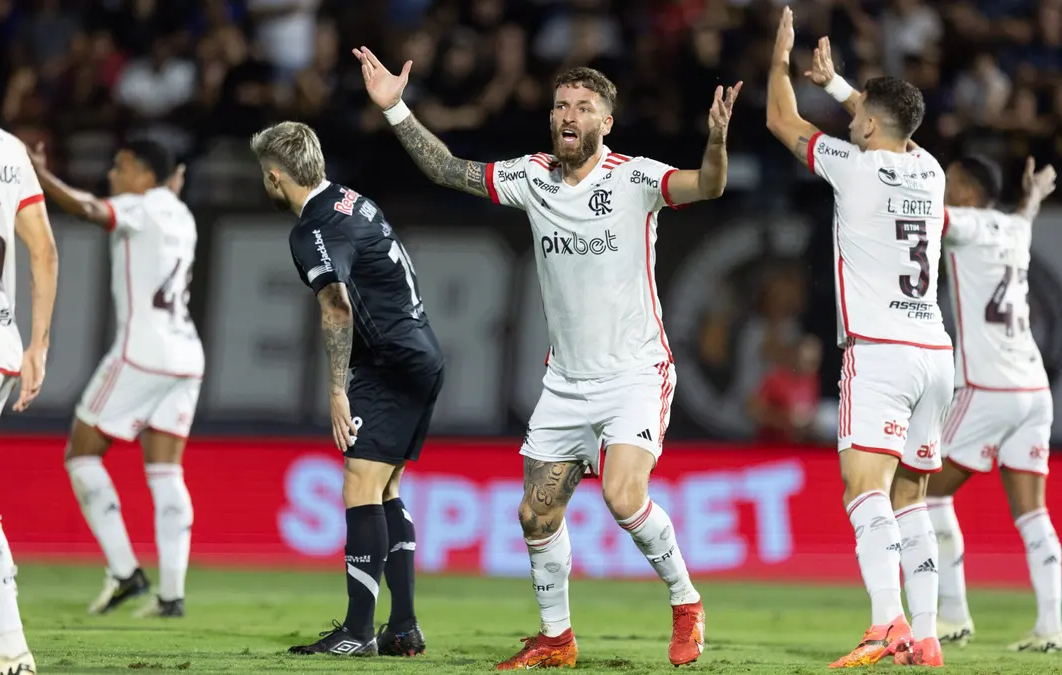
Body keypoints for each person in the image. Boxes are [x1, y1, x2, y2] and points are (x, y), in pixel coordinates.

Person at [354, 45, 739, 669]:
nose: (569, 114)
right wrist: (396, 109)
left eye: (584, 107)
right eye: (561, 105)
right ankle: (556, 639)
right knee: (535, 514)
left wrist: (716, 142)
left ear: (605, 123)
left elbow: (710, 185)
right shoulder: (532, 176)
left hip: (636, 372)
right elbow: (448, 169)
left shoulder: (635, 179)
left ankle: (686, 602)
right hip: (566, 381)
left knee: (621, 496)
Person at [766, 9, 949, 667]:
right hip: (935, 353)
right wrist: (840, 82)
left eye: (855, 115)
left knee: (864, 487)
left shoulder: (855, 166)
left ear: (870, 127)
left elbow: (781, 122)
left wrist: (780, 60)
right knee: (911, 498)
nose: (848, 120)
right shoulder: (929, 170)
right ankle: (925, 636)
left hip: (880, 351)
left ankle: (885, 623)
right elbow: (894, 126)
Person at [250, 121, 443, 658]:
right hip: (421, 353)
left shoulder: (312, 229)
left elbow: (336, 303)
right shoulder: (350, 201)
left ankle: (359, 631)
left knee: (359, 485)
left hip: (389, 364)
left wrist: (337, 390)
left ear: (275, 177)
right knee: (386, 489)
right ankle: (401, 628)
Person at [28, 140, 201, 619]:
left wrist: (44, 178)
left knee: (81, 453)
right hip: (186, 355)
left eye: (121, 166)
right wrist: (173, 180)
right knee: (166, 472)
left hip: (141, 353)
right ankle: (172, 595)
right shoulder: (182, 215)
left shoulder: (139, 207)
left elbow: (87, 208)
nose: (111, 174)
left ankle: (125, 573)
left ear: (145, 175)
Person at [928, 154, 1060, 652]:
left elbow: (924, 211)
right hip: (1034, 391)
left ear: (965, 192)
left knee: (922, 492)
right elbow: (1021, 220)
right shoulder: (1012, 228)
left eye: (949, 182)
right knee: (1033, 514)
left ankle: (953, 615)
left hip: (989, 388)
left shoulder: (966, 223)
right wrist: (1033, 198)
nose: (941, 188)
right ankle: (1053, 625)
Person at [0, 118, 59, 675]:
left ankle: (11, 647)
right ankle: (8, 647)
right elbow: (45, 251)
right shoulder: (7, 147)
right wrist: (38, 345)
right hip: (0, 345)